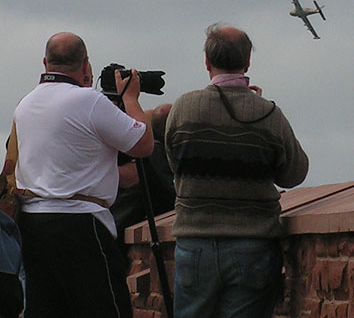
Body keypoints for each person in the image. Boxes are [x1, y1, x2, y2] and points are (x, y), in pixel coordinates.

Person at [165, 22, 309, 318]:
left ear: (207, 62)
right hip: (252, 244)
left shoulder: (183, 109)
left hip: (195, 243)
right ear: (247, 62)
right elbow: (294, 174)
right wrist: (256, 108)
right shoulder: (268, 113)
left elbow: (175, 164)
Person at [13, 32, 154, 318]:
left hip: (33, 222)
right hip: (80, 223)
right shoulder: (89, 101)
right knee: (105, 308)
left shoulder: (24, 105)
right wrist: (131, 99)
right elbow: (143, 144)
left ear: (45, 63)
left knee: (46, 309)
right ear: (86, 65)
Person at [110, 103, 176, 268]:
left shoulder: (141, 153)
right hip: (125, 231)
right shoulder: (154, 153)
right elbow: (169, 194)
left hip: (115, 227)